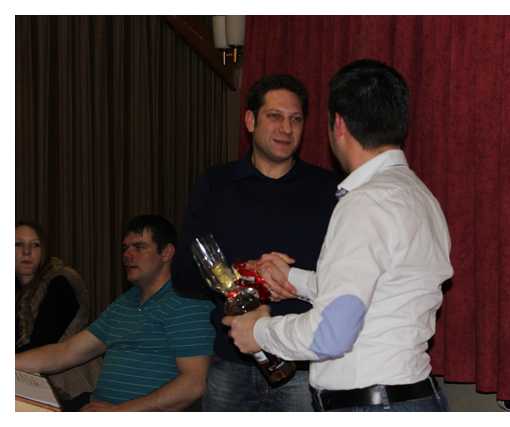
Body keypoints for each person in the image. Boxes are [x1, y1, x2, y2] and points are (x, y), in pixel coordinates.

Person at [223, 59, 454, 412]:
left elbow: (330, 334)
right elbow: (376, 293)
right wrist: (293, 279)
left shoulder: (364, 203)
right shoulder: (421, 196)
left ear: (339, 125)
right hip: (415, 397)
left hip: (372, 405)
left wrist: (258, 332)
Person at [172, 74, 338, 411]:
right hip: (230, 364)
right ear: (250, 121)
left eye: (296, 119)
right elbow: (183, 275)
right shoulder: (216, 185)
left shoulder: (328, 190)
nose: (286, 129)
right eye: (274, 116)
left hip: (302, 368)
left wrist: (295, 282)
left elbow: (345, 281)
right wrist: (240, 276)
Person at [16, 215, 215, 411]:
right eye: (125, 248)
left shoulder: (188, 302)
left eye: (139, 247)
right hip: (95, 407)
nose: (128, 255)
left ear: (166, 253)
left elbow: (194, 383)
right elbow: (66, 352)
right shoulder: (126, 301)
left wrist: (119, 411)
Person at [15, 220, 100, 401]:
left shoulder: (60, 282)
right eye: (18, 244)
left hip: (71, 386)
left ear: (44, 250)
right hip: (28, 381)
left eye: (35, 245)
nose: (26, 252)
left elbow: (42, 342)